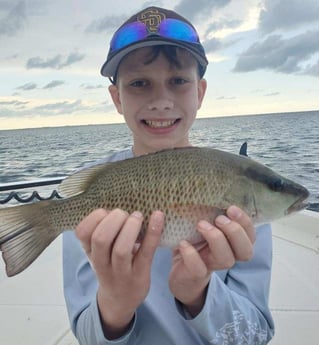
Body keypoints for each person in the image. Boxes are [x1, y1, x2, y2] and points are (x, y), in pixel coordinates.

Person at [63, 6, 275, 345]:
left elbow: (255, 335)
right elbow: (87, 336)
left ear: (200, 92)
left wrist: (198, 295)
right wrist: (116, 304)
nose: (161, 100)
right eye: (139, 83)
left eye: (178, 81)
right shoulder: (93, 199)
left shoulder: (240, 194)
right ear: (117, 98)